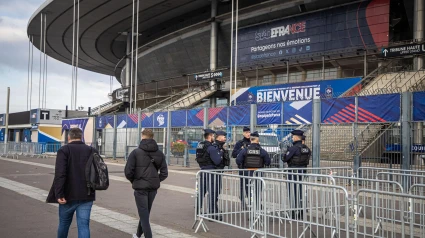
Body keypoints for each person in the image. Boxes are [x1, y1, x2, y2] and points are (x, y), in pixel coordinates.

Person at [50, 128, 99, 238]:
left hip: (68, 195)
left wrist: (59, 194)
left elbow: (60, 174)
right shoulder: (92, 150)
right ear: (81, 137)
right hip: (87, 194)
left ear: (69, 137)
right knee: (84, 226)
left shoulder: (64, 150)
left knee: (64, 224)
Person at [125, 129, 168, 238]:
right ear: (152, 137)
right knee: (145, 213)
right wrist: (156, 180)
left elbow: (128, 171)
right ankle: (138, 234)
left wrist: (134, 181)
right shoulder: (159, 153)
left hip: (140, 188)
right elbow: (164, 173)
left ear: (142, 136)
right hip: (153, 188)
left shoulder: (135, 152)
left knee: (144, 215)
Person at [236, 131, 271, 211]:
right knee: (258, 190)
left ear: (251, 140)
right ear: (258, 140)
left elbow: (238, 160)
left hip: (247, 173)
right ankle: (257, 206)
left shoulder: (245, 150)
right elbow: (268, 162)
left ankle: (252, 208)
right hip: (259, 173)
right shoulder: (262, 151)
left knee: (249, 191)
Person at [282, 130, 311, 220]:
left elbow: (285, 158)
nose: (292, 138)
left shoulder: (293, 148)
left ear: (295, 137)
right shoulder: (307, 148)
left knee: (293, 191)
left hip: (293, 172)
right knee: (301, 192)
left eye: (293, 136)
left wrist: (285, 152)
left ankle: (294, 211)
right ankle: (301, 211)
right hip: (302, 172)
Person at [195, 129, 223, 220]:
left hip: (202, 171)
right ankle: (212, 213)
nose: (214, 138)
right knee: (212, 193)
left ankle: (198, 210)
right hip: (211, 171)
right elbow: (217, 161)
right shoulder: (211, 148)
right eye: (213, 136)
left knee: (201, 192)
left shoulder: (200, 146)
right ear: (210, 136)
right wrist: (220, 154)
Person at [232, 126, 251, 209]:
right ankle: (243, 201)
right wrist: (241, 149)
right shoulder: (240, 143)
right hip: (243, 167)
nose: (248, 134)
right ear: (243, 133)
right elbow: (233, 154)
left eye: (249, 132)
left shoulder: (252, 142)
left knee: (252, 185)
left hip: (252, 167)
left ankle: (252, 202)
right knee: (243, 185)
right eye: (246, 132)